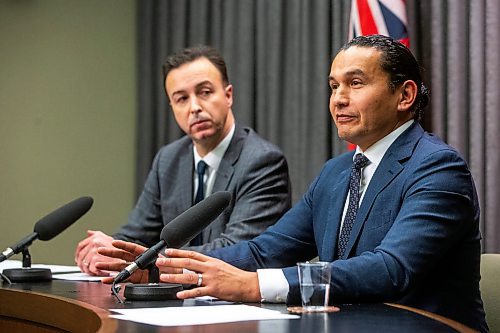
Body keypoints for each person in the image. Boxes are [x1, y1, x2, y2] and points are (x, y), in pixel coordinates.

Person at [96, 35, 487, 332]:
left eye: (355, 83)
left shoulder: (437, 168)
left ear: (405, 94)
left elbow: (391, 269)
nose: (338, 99)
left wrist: (254, 286)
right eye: (333, 86)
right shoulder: (337, 172)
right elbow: (267, 251)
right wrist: (163, 268)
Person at [75, 45, 291, 276]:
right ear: (172, 107)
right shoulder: (168, 160)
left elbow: (237, 250)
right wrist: (109, 250)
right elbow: (135, 233)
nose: (195, 107)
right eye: (181, 99)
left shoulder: (262, 161)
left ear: (228, 95)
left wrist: (142, 260)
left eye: (205, 92)